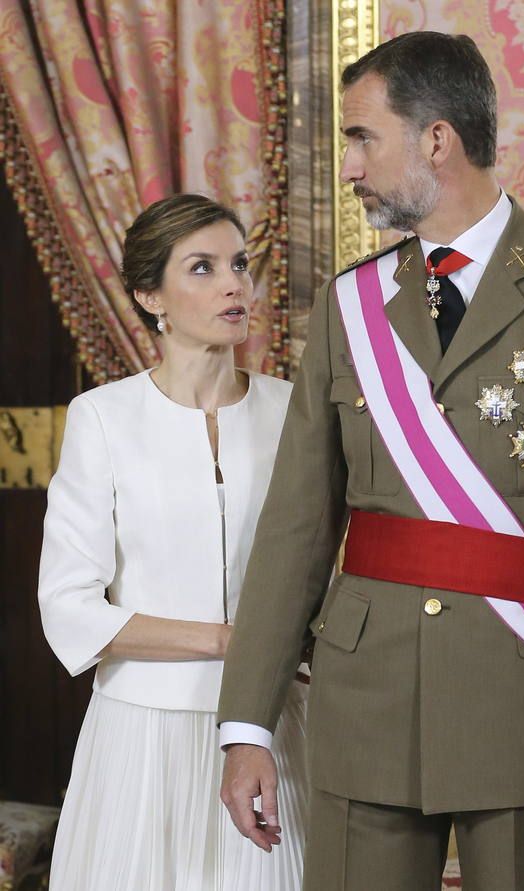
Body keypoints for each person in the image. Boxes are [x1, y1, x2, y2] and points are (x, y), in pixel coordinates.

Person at [218, 32, 524, 891]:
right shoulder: (349, 304)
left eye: (363, 137)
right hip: (368, 702)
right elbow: (297, 525)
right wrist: (246, 722)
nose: (350, 165)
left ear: (437, 139)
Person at [38, 194, 308, 891]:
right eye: (204, 267)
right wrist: (226, 639)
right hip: (141, 736)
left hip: (272, 726)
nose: (234, 284)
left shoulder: (293, 410)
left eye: (240, 264)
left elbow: (324, 570)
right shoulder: (102, 418)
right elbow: (69, 605)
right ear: (149, 294)